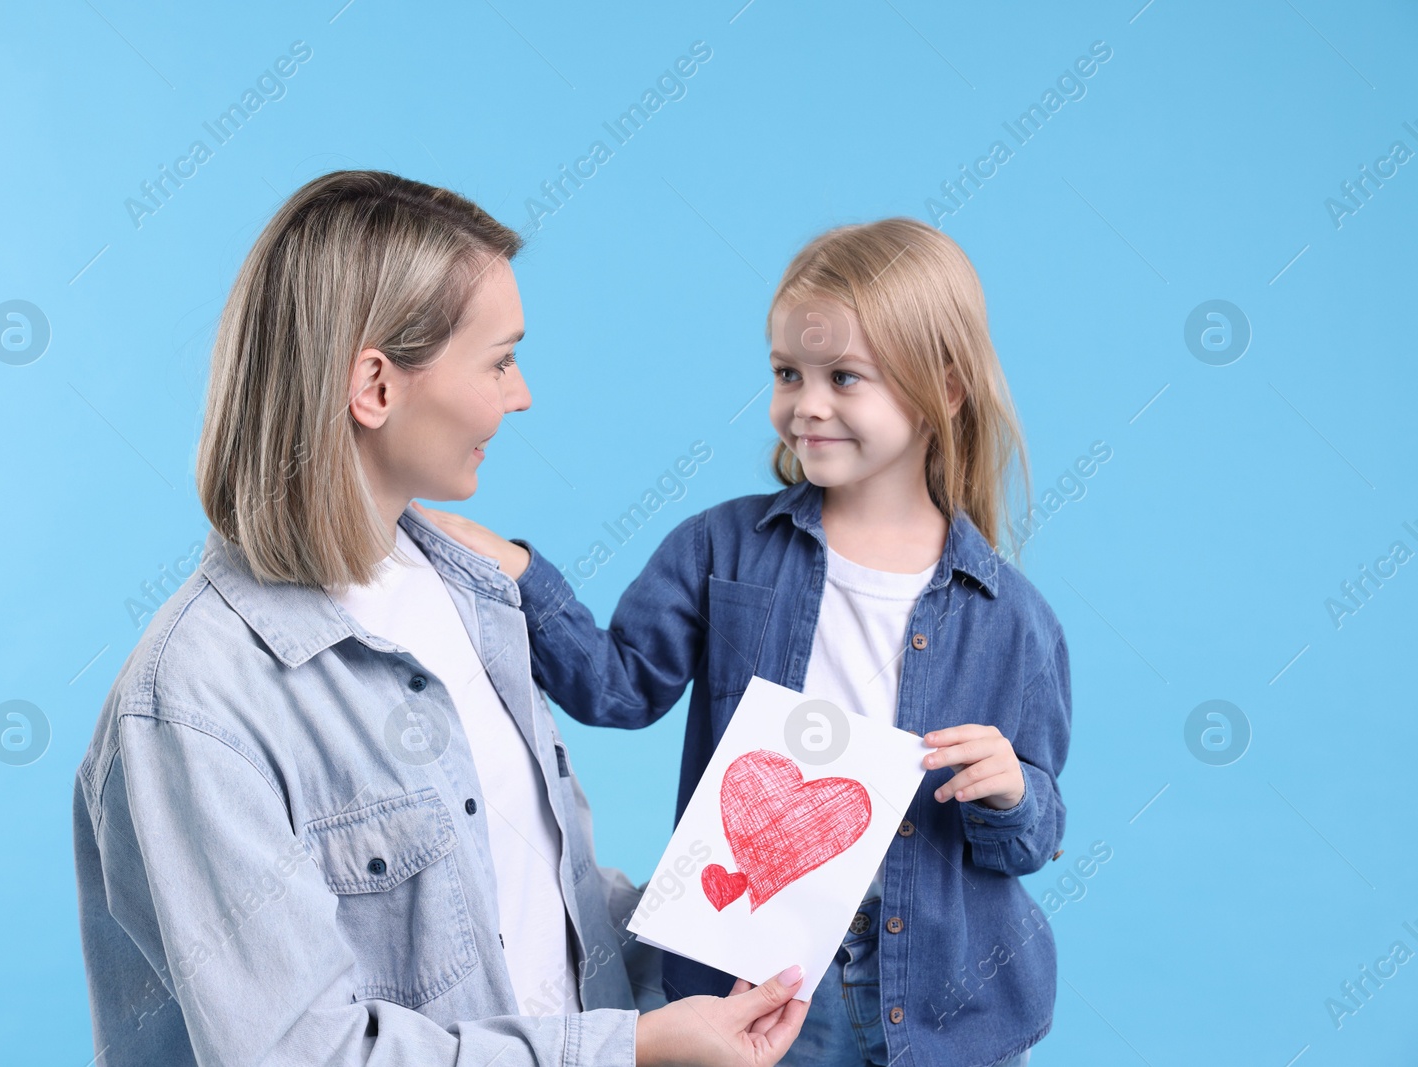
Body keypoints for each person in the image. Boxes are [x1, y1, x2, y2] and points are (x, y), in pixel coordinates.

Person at [70, 169, 807, 1066]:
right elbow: (306, 1053)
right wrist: (634, 1050)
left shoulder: (473, 592)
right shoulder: (194, 707)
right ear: (375, 386)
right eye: (498, 360)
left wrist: (731, 919)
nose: (521, 393)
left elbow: (533, 913)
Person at [423, 216, 1070, 1067]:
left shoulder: (1010, 616)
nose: (807, 404)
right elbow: (618, 686)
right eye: (787, 373)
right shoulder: (720, 550)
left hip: (943, 998)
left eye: (845, 376)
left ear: (943, 391)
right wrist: (518, 574)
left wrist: (1010, 789)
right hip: (755, 978)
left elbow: (1038, 832)